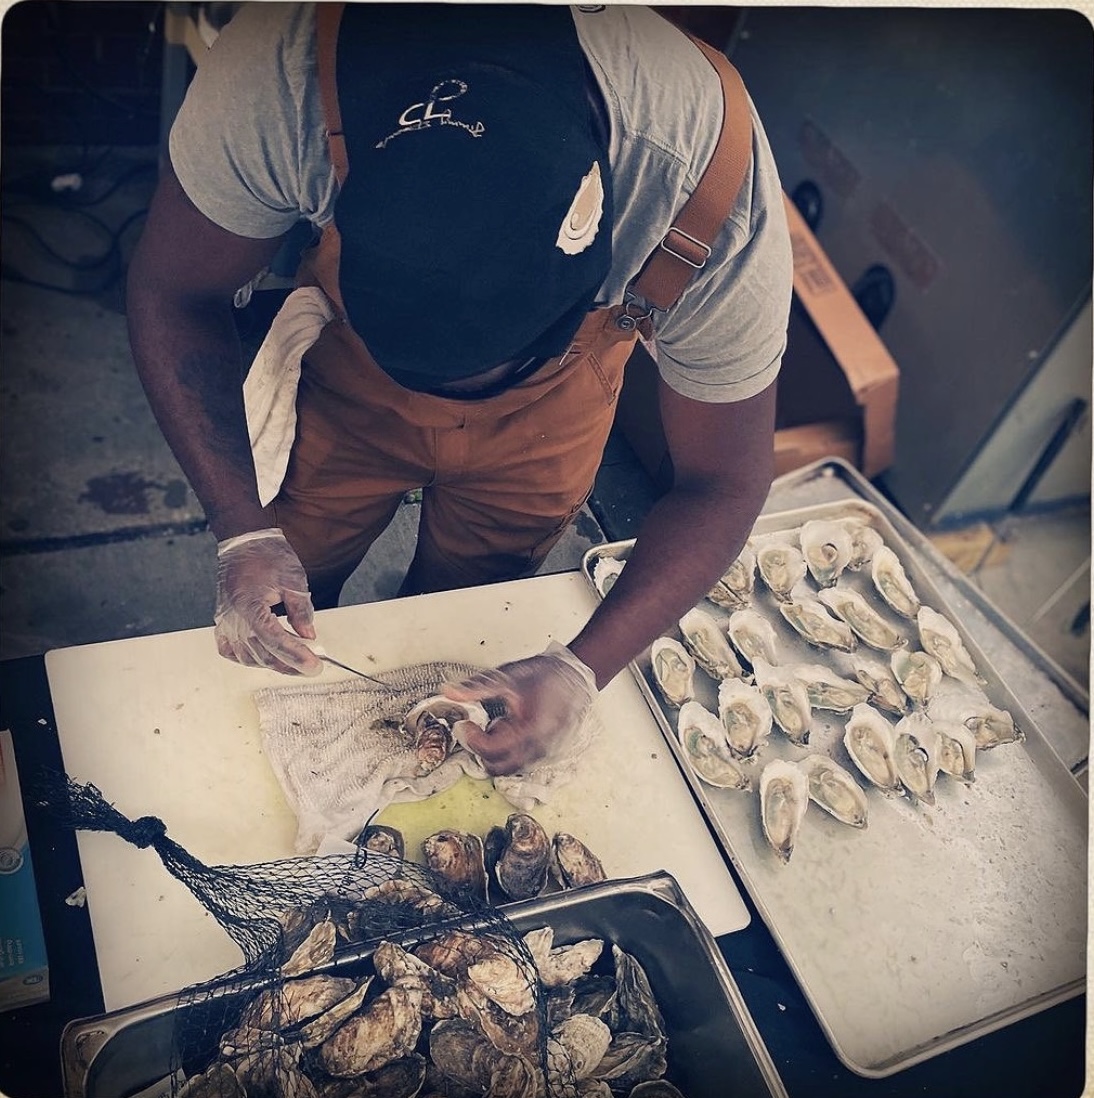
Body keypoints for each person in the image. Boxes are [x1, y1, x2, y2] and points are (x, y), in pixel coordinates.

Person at [126, 3, 793, 776]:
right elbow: (172, 293)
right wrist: (242, 529)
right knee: (289, 575)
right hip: (349, 392)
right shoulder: (274, 81)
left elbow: (726, 481)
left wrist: (583, 668)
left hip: (551, 421)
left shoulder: (701, 178)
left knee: (465, 618)